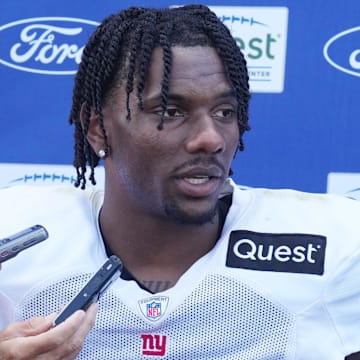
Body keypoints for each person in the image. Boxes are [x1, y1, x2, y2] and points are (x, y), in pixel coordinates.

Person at [0, 4, 360, 359]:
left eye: (225, 112)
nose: (210, 138)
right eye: (170, 112)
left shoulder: (337, 244)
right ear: (97, 128)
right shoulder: (14, 241)